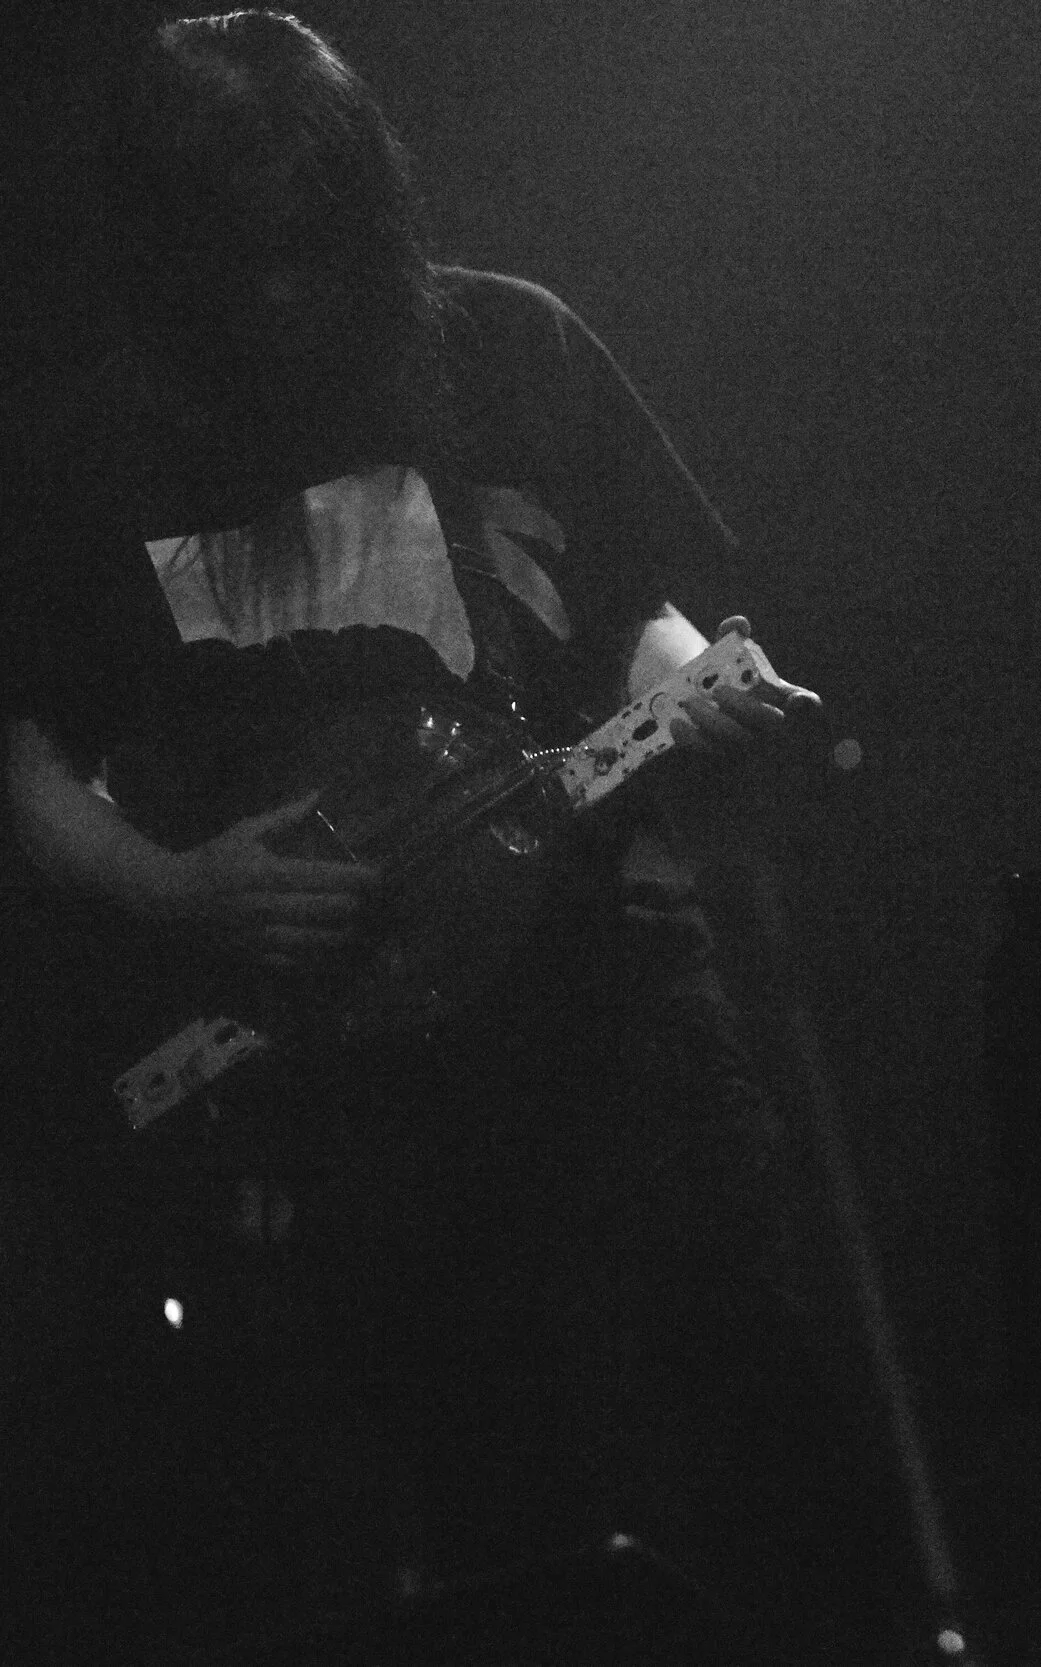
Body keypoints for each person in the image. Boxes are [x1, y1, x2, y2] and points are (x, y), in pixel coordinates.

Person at [0, 12, 883, 1660]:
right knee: (505, 1522)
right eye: (240, 256)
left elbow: (645, 609)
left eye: (310, 239)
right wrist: (179, 888)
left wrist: (695, 693)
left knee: (755, 1439)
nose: (283, 290)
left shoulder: (511, 348)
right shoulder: (91, 453)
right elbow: (22, 747)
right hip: (344, 1106)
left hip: (612, 1008)